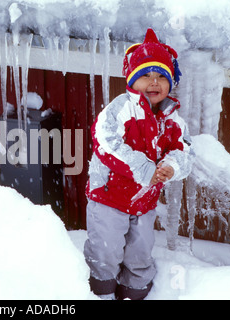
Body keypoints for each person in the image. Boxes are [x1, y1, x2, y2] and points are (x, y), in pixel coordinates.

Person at [84, 28, 195, 300]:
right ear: (132, 81)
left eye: (161, 77)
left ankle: (133, 294)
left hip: (144, 203)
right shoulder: (121, 108)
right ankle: (101, 293)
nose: (154, 82)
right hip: (108, 198)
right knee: (105, 253)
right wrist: (143, 167)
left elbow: (184, 151)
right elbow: (105, 139)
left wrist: (171, 166)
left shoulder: (173, 120)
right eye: (146, 75)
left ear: (171, 82)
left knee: (139, 255)